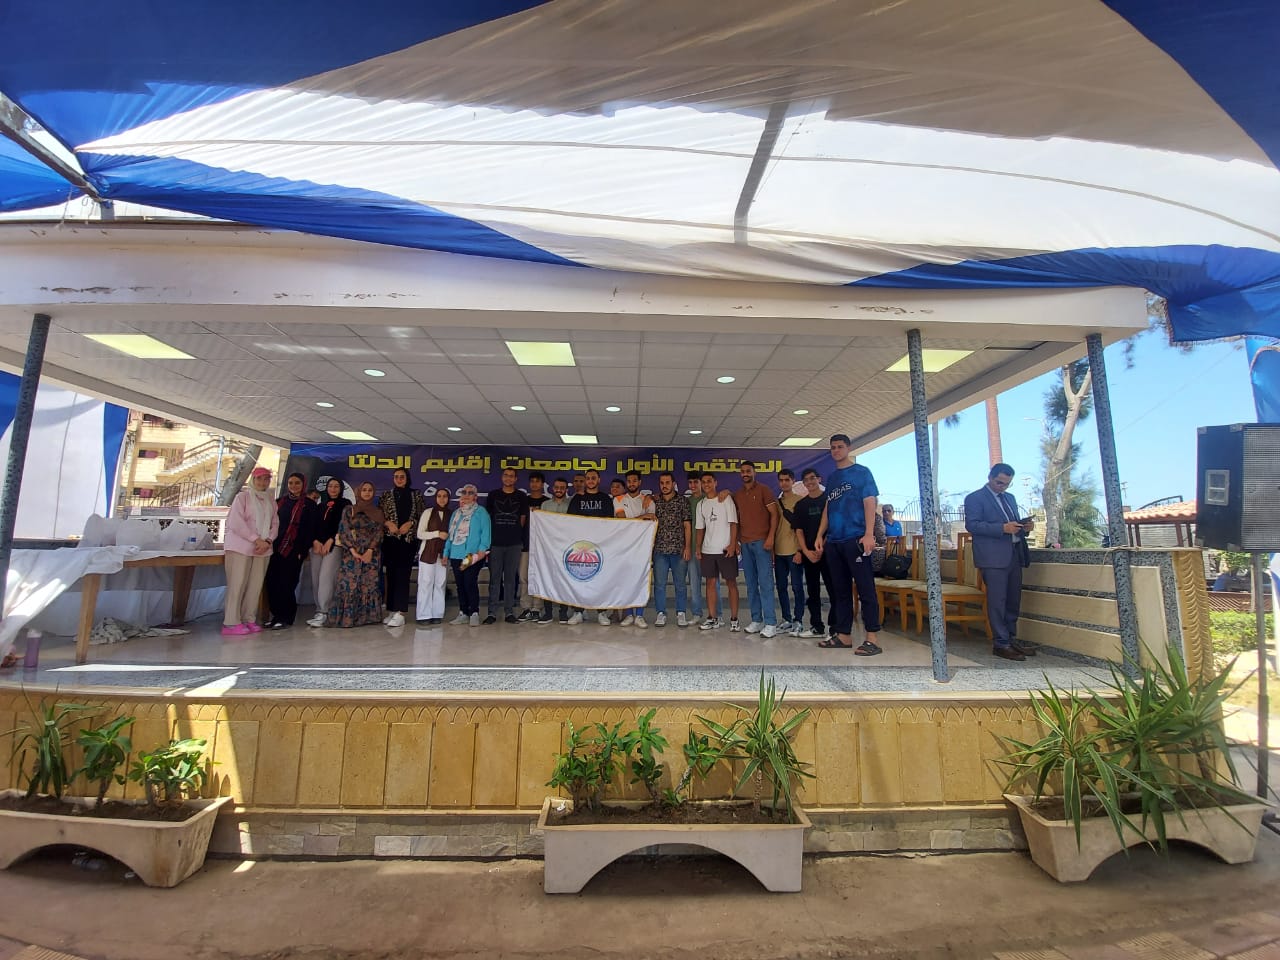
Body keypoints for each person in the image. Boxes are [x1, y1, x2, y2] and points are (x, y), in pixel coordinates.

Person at [815, 434, 883, 655]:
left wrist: (869, 534)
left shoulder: (862, 472)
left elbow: (870, 501)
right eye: (833, 447)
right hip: (835, 541)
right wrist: (820, 535)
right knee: (840, 590)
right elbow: (828, 507)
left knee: (865, 589)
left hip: (856, 539)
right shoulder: (833, 478)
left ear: (848, 448)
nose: (836, 450)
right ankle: (843, 635)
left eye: (840, 446)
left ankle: (872, 638)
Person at [964, 462, 1035, 661]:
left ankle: (1011, 639)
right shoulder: (975, 498)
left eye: (1007, 484)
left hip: (1014, 554)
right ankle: (1001, 643)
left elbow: (1013, 523)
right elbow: (973, 525)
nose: (1002, 487)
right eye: (999, 483)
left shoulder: (1010, 498)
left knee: (1013, 599)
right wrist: (1002, 528)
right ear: (990, 477)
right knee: (997, 601)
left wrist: (1024, 527)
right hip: (992, 557)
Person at [221, 466, 278, 636]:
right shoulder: (243, 497)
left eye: (266, 479)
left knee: (255, 585)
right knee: (237, 584)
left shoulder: (270, 500)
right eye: (259, 478)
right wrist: (256, 539)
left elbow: (275, 524)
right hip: (241, 547)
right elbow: (236, 522)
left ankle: (249, 619)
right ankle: (231, 622)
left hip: (263, 549)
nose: (262, 482)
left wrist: (268, 541)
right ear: (253, 480)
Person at [264, 472, 319, 629]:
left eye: (297, 483)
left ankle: (286, 617)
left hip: (294, 550)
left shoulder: (309, 505)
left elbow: (310, 530)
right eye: (291, 483)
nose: (293, 486)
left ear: (303, 485)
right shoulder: (279, 502)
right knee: (272, 581)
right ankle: (276, 616)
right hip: (275, 548)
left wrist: (302, 550)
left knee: (287, 583)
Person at [328, 481, 385, 629]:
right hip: (351, 554)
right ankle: (347, 619)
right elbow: (344, 530)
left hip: (371, 555)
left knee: (368, 585)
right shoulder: (349, 509)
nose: (367, 492)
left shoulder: (378, 512)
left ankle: (367, 618)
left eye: (370, 490)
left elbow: (379, 532)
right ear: (359, 492)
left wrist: (370, 551)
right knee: (349, 585)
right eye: (364, 490)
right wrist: (353, 551)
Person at [733, 461, 779, 638]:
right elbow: (737, 519)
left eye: (748, 471)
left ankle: (770, 623)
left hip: (762, 543)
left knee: (765, 584)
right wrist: (737, 541)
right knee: (751, 584)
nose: (745, 474)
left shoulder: (764, 490)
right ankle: (756, 620)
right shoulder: (738, 494)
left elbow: (774, 514)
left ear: (754, 472)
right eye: (743, 471)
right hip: (745, 544)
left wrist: (770, 537)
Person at [378, 468, 426, 628]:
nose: (399, 479)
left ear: (407, 478)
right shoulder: (386, 495)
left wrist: (410, 523)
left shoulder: (416, 495)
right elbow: (380, 515)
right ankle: (392, 609)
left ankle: (401, 612)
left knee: (403, 575)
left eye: (402, 477)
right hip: (390, 540)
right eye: (396, 477)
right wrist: (387, 523)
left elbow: (422, 515)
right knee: (391, 574)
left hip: (407, 541)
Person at [568, 468, 614, 625]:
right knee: (580, 578)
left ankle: (602, 612)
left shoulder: (605, 499)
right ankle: (578, 611)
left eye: (593, 478)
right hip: (581, 546)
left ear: (599, 480)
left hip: (600, 546)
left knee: (601, 579)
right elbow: (570, 522)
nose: (590, 481)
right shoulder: (577, 499)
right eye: (588, 478)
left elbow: (610, 522)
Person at [792, 468, 834, 639]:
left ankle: (835, 628)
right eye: (806, 480)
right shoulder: (801, 505)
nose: (809, 482)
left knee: (833, 590)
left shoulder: (829, 500)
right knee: (813, 591)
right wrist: (806, 551)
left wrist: (822, 547)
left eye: (812, 478)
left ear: (819, 479)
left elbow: (832, 526)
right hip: (810, 555)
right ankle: (817, 627)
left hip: (828, 553)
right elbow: (799, 531)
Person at [695, 472, 740, 631]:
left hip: (725, 549)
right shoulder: (701, 504)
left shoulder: (726, 499)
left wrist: (732, 544)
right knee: (710, 583)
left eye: (709, 481)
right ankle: (712, 618)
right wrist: (698, 547)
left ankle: (734, 619)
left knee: (731, 583)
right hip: (708, 550)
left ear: (715, 482)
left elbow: (733, 523)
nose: (706, 484)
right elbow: (700, 529)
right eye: (703, 482)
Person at [485, 467, 528, 624]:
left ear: (516, 479)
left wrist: (514, 532)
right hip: (495, 543)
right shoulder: (493, 495)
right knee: (494, 579)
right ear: (502, 477)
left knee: (510, 579)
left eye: (511, 476)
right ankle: (492, 613)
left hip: (514, 544)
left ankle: (509, 612)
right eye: (506, 475)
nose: (508, 478)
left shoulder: (521, 496)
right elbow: (488, 517)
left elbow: (522, 518)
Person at [306, 477, 350, 628]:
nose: (333, 489)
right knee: (316, 578)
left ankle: (325, 611)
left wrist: (331, 540)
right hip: (317, 547)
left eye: (336, 486)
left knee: (327, 577)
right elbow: (312, 525)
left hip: (334, 545)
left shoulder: (345, 505)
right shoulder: (321, 505)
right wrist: (315, 541)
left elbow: (344, 525)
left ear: (341, 488)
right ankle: (319, 610)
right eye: (330, 486)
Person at [445, 484, 492, 627]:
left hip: (471, 555)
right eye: (464, 492)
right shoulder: (456, 513)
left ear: (475, 497)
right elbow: (450, 535)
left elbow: (486, 532)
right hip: (456, 554)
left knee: (469, 582)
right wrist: (446, 553)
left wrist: (482, 549)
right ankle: (463, 613)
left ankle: (474, 613)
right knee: (460, 584)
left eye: (470, 493)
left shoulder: (481, 512)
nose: (466, 495)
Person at [614, 469, 655, 627]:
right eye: (629, 481)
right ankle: (629, 615)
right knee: (625, 581)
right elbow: (623, 523)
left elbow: (650, 523)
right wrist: (642, 517)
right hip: (624, 547)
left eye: (634, 481)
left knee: (641, 581)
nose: (631, 484)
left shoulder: (648, 501)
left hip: (642, 548)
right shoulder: (618, 499)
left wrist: (642, 519)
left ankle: (639, 615)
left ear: (640, 482)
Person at [651, 471, 691, 627]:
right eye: (662, 483)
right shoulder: (655, 502)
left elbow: (687, 526)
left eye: (667, 482)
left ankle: (681, 613)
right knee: (659, 584)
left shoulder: (682, 501)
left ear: (674, 484)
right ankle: (661, 613)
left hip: (678, 550)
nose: (664, 486)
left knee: (680, 584)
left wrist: (687, 547)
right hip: (659, 550)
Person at [774, 469, 806, 636]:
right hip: (779, 551)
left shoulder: (800, 501)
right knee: (781, 587)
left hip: (794, 551)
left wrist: (800, 550)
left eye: (787, 480)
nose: (784, 483)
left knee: (797, 587)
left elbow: (804, 528)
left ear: (793, 481)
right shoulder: (776, 502)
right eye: (781, 480)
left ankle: (798, 620)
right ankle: (786, 619)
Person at [415, 487, 453, 624]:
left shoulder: (452, 514)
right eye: (439, 496)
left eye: (445, 496)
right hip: (427, 553)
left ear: (448, 498)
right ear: (435, 498)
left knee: (440, 583)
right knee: (425, 583)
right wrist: (437, 534)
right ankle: (423, 615)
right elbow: (420, 533)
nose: (442, 499)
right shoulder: (428, 512)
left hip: (443, 554)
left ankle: (437, 613)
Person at [540, 477, 572, 623]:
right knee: (547, 578)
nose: (559, 490)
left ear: (566, 489)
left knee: (564, 580)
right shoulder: (545, 505)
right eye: (557, 487)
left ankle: (563, 612)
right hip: (548, 547)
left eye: (562, 487)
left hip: (566, 547)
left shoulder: (571, 504)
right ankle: (548, 613)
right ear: (552, 488)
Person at [520, 472, 550, 621]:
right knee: (524, 576)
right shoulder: (524, 501)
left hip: (541, 546)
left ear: (542, 484)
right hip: (526, 544)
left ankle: (537, 608)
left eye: (537, 481)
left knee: (538, 576)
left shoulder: (547, 502)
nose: (534, 484)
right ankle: (526, 607)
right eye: (532, 481)